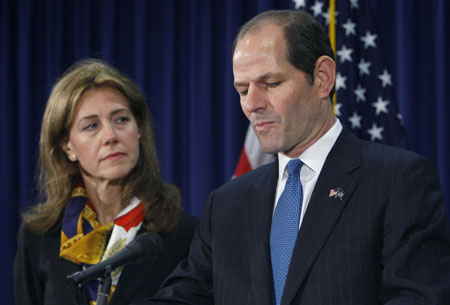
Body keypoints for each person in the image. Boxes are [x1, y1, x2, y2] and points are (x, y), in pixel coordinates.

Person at [133, 10, 450, 305]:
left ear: (323, 78)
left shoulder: (396, 180)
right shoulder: (226, 204)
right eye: (243, 90)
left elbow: (416, 297)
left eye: (271, 83)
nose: (252, 104)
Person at [14, 59, 198, 305]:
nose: (110, 136)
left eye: (121, 119)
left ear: (139, 129)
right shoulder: (38, 237)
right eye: (91, 126)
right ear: (67, 145)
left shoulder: (185, 234)